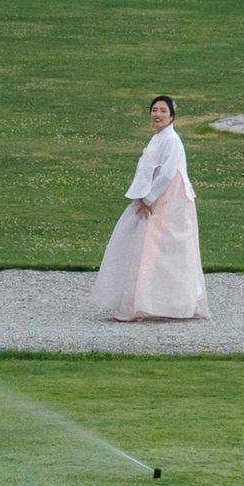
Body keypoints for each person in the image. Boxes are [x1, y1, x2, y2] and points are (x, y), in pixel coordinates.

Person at [92, 95, 210, 322]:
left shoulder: (171, 140)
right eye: (154, 110)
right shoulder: (159, 138)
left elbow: (167, 173)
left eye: (163, 111)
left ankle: (146, 304)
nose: (157, 114)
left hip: (169, 200)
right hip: (163, 198)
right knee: (155, 249)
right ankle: (164, 302)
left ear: (172, 115)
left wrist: (149, 199)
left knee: (156, 249)